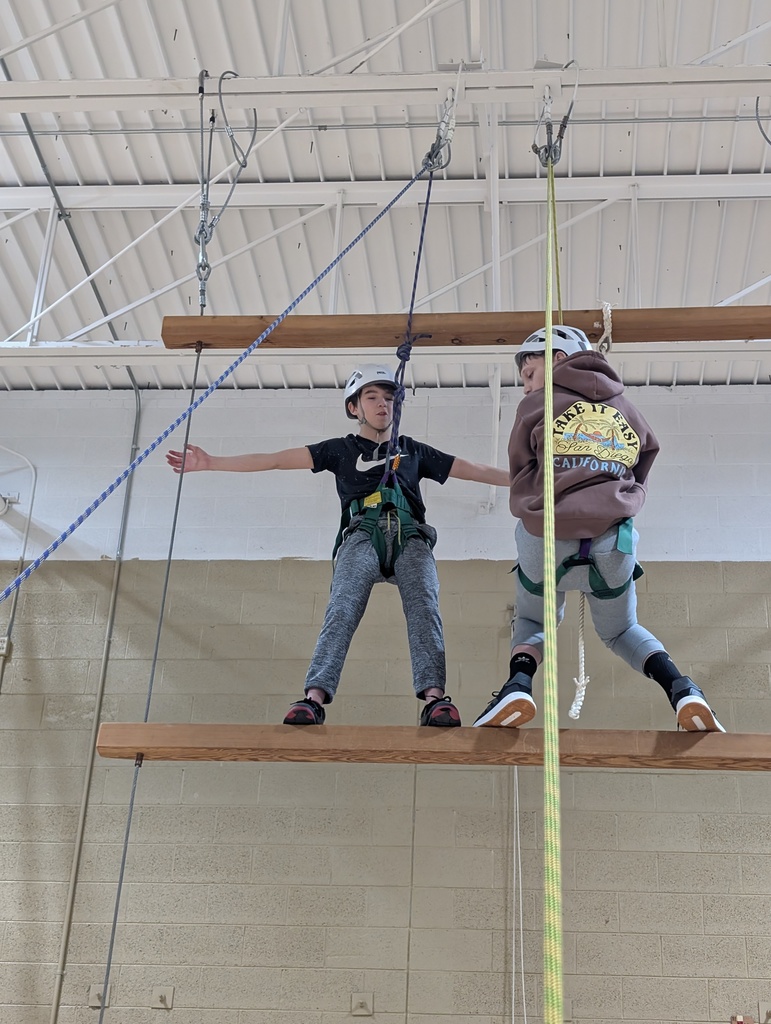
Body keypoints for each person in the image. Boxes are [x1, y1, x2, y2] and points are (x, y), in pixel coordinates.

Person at [168, 364, 509, 727]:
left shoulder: (413, 451)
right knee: (342, 607)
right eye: (372, 398)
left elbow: (474, 469)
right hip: (362, 534)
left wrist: (534, 480)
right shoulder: (340, 450)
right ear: (354, 408)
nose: (382, 405)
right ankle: (313, 698)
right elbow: (276, 460)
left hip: (411, 537)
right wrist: (210, 463)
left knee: (425, 607)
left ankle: (435, 700)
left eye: (389, 399)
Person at [473, 326, 724, 733]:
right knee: (623, 629)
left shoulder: (537, 405)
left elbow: (521, 466)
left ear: (557, 360)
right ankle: (682, 689)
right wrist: (624, 498)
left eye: (530, 374)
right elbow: (647, 454)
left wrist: (535, 500)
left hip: (547, 537)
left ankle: (518, 686)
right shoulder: (625, 406)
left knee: (534, 623)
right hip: (613, 541)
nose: (526, 387)